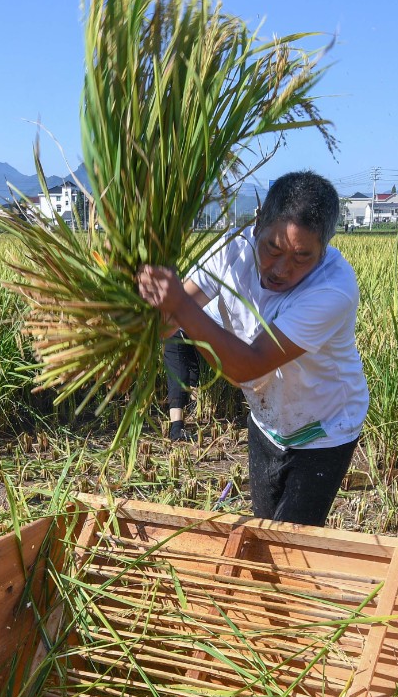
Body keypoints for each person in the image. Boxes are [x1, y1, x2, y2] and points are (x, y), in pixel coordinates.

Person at [136, 171, 367, 526]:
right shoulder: (231, 251)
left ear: (323, 251)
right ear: (257, 222)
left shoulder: (332, 290)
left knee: (291, 542)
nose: (279, 269)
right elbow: (169, 320)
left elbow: (249, 365)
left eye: (301, 257)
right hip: (268, 418)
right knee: (263, 526)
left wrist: (179, 305)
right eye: (272, 248)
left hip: (324, 428)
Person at [162, 329, 202, 442]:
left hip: (188, 332)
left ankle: (193, 411)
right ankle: (176, 428)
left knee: (194, 367)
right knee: (179, 376)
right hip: (173, 332)